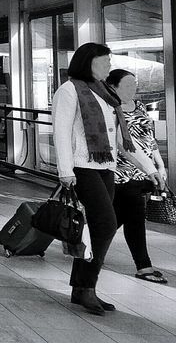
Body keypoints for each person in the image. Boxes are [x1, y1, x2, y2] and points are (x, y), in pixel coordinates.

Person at [53, 43, 160, 314]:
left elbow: (123, 141)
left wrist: (150, 169)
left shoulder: (106, 94)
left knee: (101, 226)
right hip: (81, 167)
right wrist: (65, 171)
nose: (108, 67)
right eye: (104, 62)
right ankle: (87, 286)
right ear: (88, 63)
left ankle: (81, 288)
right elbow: (62, 133)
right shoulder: (69, 91)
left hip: (106, 168)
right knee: (106, 223)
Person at [106, 68, 169, 285]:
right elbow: (120, 144)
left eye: (135, 85)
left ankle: (87, 244)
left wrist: (159, 164)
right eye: (127, 85)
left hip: (144, 172)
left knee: (115, 218)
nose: (133, 89)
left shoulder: (139, 106)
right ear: (112, 87)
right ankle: (143, 266)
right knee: (134, 217)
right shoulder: (110, 109)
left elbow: (148, 139)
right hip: (121, 173)